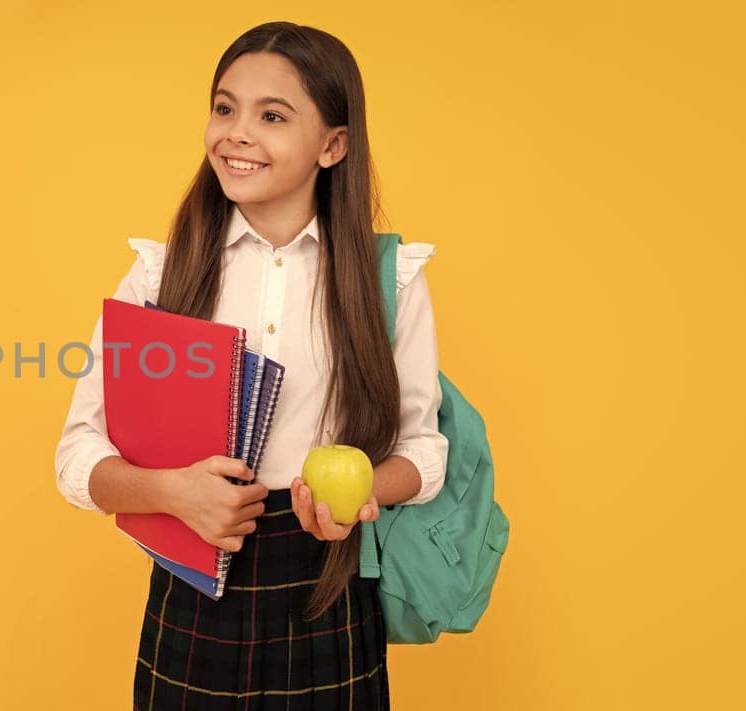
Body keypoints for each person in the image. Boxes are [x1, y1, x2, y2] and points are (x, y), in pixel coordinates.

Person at [52, 21, 450, 710]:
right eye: (224, 107)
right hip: (195, 584)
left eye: (271, 115)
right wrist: (174, 492)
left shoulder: (390, 280)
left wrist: (360, 496)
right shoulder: (160, 277)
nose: (235, 132)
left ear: (333, 145)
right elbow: (77, 458)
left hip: (329, 581)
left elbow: (424, 449)